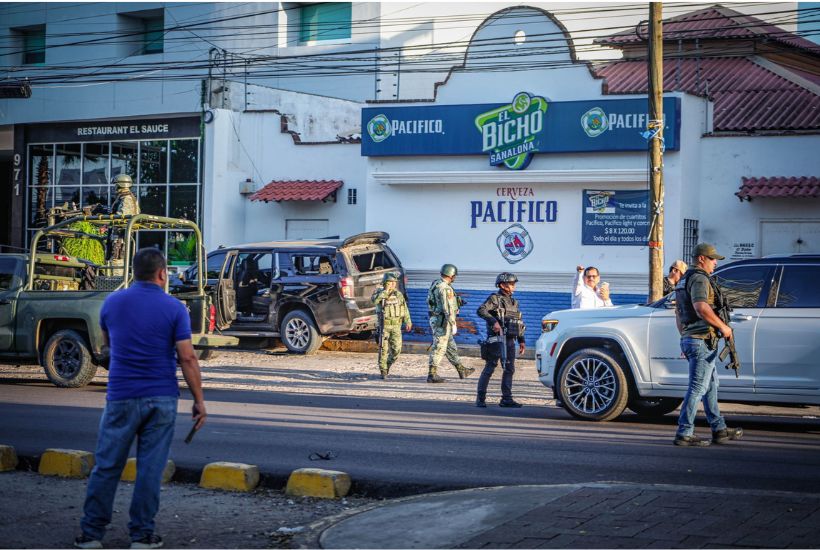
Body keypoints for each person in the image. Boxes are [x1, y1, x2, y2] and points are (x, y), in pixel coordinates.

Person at [74, 248, 206, 550]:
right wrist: (199, 400)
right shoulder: (174, 308)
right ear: (162, 274)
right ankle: (142, 536)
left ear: (134, 272)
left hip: (121, 396)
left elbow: (108, 344)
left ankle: (91, 535)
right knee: (149, 468)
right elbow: (187, 357)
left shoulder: (112, 303)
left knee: (107, 466)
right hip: (161, 398)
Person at [673, 243, 743, 447]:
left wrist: (685, 337)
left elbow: (679, 313)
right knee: (697, 387)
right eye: (713, 259)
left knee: (710, 385)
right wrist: (724, 327)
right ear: (701, 259)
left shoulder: (683, 279)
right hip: (701, 339)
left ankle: (719, 429)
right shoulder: (699, 278)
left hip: (692, 338)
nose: (715, 263)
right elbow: (701, 307)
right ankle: (684, 432)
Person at [476, 272, 526, 408]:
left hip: (510, 341)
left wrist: (522, 340)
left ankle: (506, 399)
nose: (513, 286)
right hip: (496, 340)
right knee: (490, 368)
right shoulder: (494, 299)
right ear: (503, 285)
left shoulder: (514, 302)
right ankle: (480, 398)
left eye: (514, 284)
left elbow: (518, 321)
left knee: (509, 369)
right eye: (511, 283)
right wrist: (494, 322)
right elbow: (481, 310)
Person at [426, 264, 475, 383]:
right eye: (454, 276)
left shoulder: (436, 283)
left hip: (437, 319)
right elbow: (447, 307)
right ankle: (432, 374)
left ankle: (461, 369)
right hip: (443, 321)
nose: (455, 278)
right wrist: (453, 323)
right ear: (451, 275)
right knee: (439, 347)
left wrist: (456, 303)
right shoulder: (445, 288)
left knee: (450, 347)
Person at [371, 272, 412, 379]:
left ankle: (387, 365)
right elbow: (375, 301)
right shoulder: (379, 293)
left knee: (396, 350)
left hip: (396, 326)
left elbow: (404, 308)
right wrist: (385, 291)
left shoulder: (398, 294)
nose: (393, 284)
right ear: (385, 282)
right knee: (383, 349)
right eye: (391, 282)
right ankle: (383, 371)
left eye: (395, 282)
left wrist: (408, 321)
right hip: (384, 326)